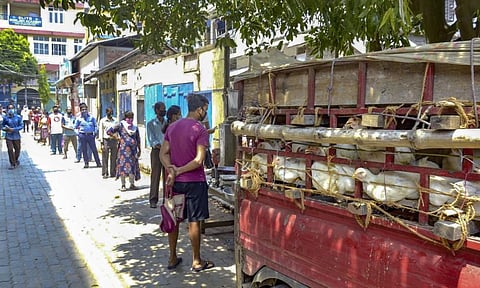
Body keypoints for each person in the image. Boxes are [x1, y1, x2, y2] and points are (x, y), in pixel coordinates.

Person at [159, 93, 215, 272]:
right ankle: (197, 261)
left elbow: (163, 153)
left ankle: (172, 257)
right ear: (199, 109)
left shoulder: (173, 127)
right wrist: (179, 170)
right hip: (195, 182)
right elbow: (199, 160)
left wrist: (172, 170)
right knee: (194, 221)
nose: (205, 113)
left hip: (175, 182)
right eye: (205, 110)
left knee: (173, 219)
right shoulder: (200, 129)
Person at [107, 111, 141, 191]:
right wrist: (117, 137)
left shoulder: (135, 127)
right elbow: (109, 131)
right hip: (123, 151)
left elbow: (138, 139)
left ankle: (132, 184)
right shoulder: (121, 125)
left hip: (133, 151)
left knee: (132, 166)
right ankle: (123, 185)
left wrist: (139, 149)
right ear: (125, 118)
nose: (130, 119)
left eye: (132, 117)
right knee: (123, 167)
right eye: (129, 118)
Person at [146, 102, 167, 208]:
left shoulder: (167, 123)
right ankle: (153, 199)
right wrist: (161, 147)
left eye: (165, 109)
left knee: (167, 175)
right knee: (155, 175)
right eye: (162, 109)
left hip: (168, 152)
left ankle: (166, 199)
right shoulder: (151, 124)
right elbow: (152, 139)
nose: (164, 111)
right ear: (157, 110)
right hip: (156, 151)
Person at [74, 103, 102, 168]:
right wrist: (78, 134)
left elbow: (95, 125)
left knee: (94, 149)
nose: (84, 111)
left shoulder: (91, 118)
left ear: (87, 110)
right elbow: (75, 127)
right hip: (82, 135)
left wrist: (95, 133)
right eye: (82, 110)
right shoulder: (78, 119)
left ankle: (98, 163)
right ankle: (86, 163)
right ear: (80, 111)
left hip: (90, 136)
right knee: (84, 150)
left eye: (85, 109)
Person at [2, 104, 23, 169]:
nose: (11, 110)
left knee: (18, 149)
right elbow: (2, 126)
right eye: (9, 108)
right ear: (7, 110)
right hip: (9, 136)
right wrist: (5, 129)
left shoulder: (18, 117)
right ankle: (12, 163)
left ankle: (16, 160)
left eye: (12, 108)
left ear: (14, 109)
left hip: (16, 136)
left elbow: (21, 126)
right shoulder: (5, 118)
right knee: (10, 149)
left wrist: (13, 129)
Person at [99, 107, 119, 179]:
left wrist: (118, 139)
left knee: (114, 157)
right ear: (106, 112)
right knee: (105, 157)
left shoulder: (116, 120)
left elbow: (117, 130)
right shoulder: (103, 121)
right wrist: (101, 143)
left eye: (111, 112)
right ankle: (105, 172)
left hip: (114, 140)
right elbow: (101, 131)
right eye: (109, 112)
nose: (110, 113)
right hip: (106, 140)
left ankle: (113, 172)